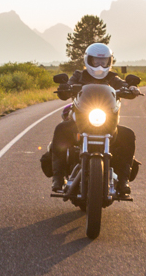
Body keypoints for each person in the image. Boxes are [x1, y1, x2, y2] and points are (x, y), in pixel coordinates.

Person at [49, 42, 139, 198]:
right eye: (95, 61)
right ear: (88, 61)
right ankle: (57, 177)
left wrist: (131, 89)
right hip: (81, 120)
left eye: (103, 62)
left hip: (106, 121)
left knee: (128, 135)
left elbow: (123, 85)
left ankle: (124, 180)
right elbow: (67, 87)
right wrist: (64, 87)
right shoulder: (79, 75)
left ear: (109, 62)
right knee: (61, 129)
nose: (99, 65)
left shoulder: (113, 78)